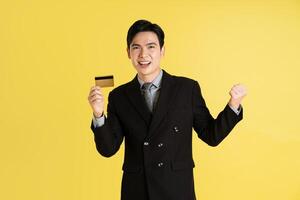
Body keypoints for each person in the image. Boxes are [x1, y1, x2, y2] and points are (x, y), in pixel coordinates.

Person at [88, 19, 247, 200]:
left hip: (177, 189)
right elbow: (108, 149)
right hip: (138, 191)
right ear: (128, 53)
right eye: (136, 48)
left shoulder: (187, 88)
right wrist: (98, 114)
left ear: (162, 51)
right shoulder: (119, 96)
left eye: (151, 47)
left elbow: (211, 135)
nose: (143, 54)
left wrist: (233, 105)